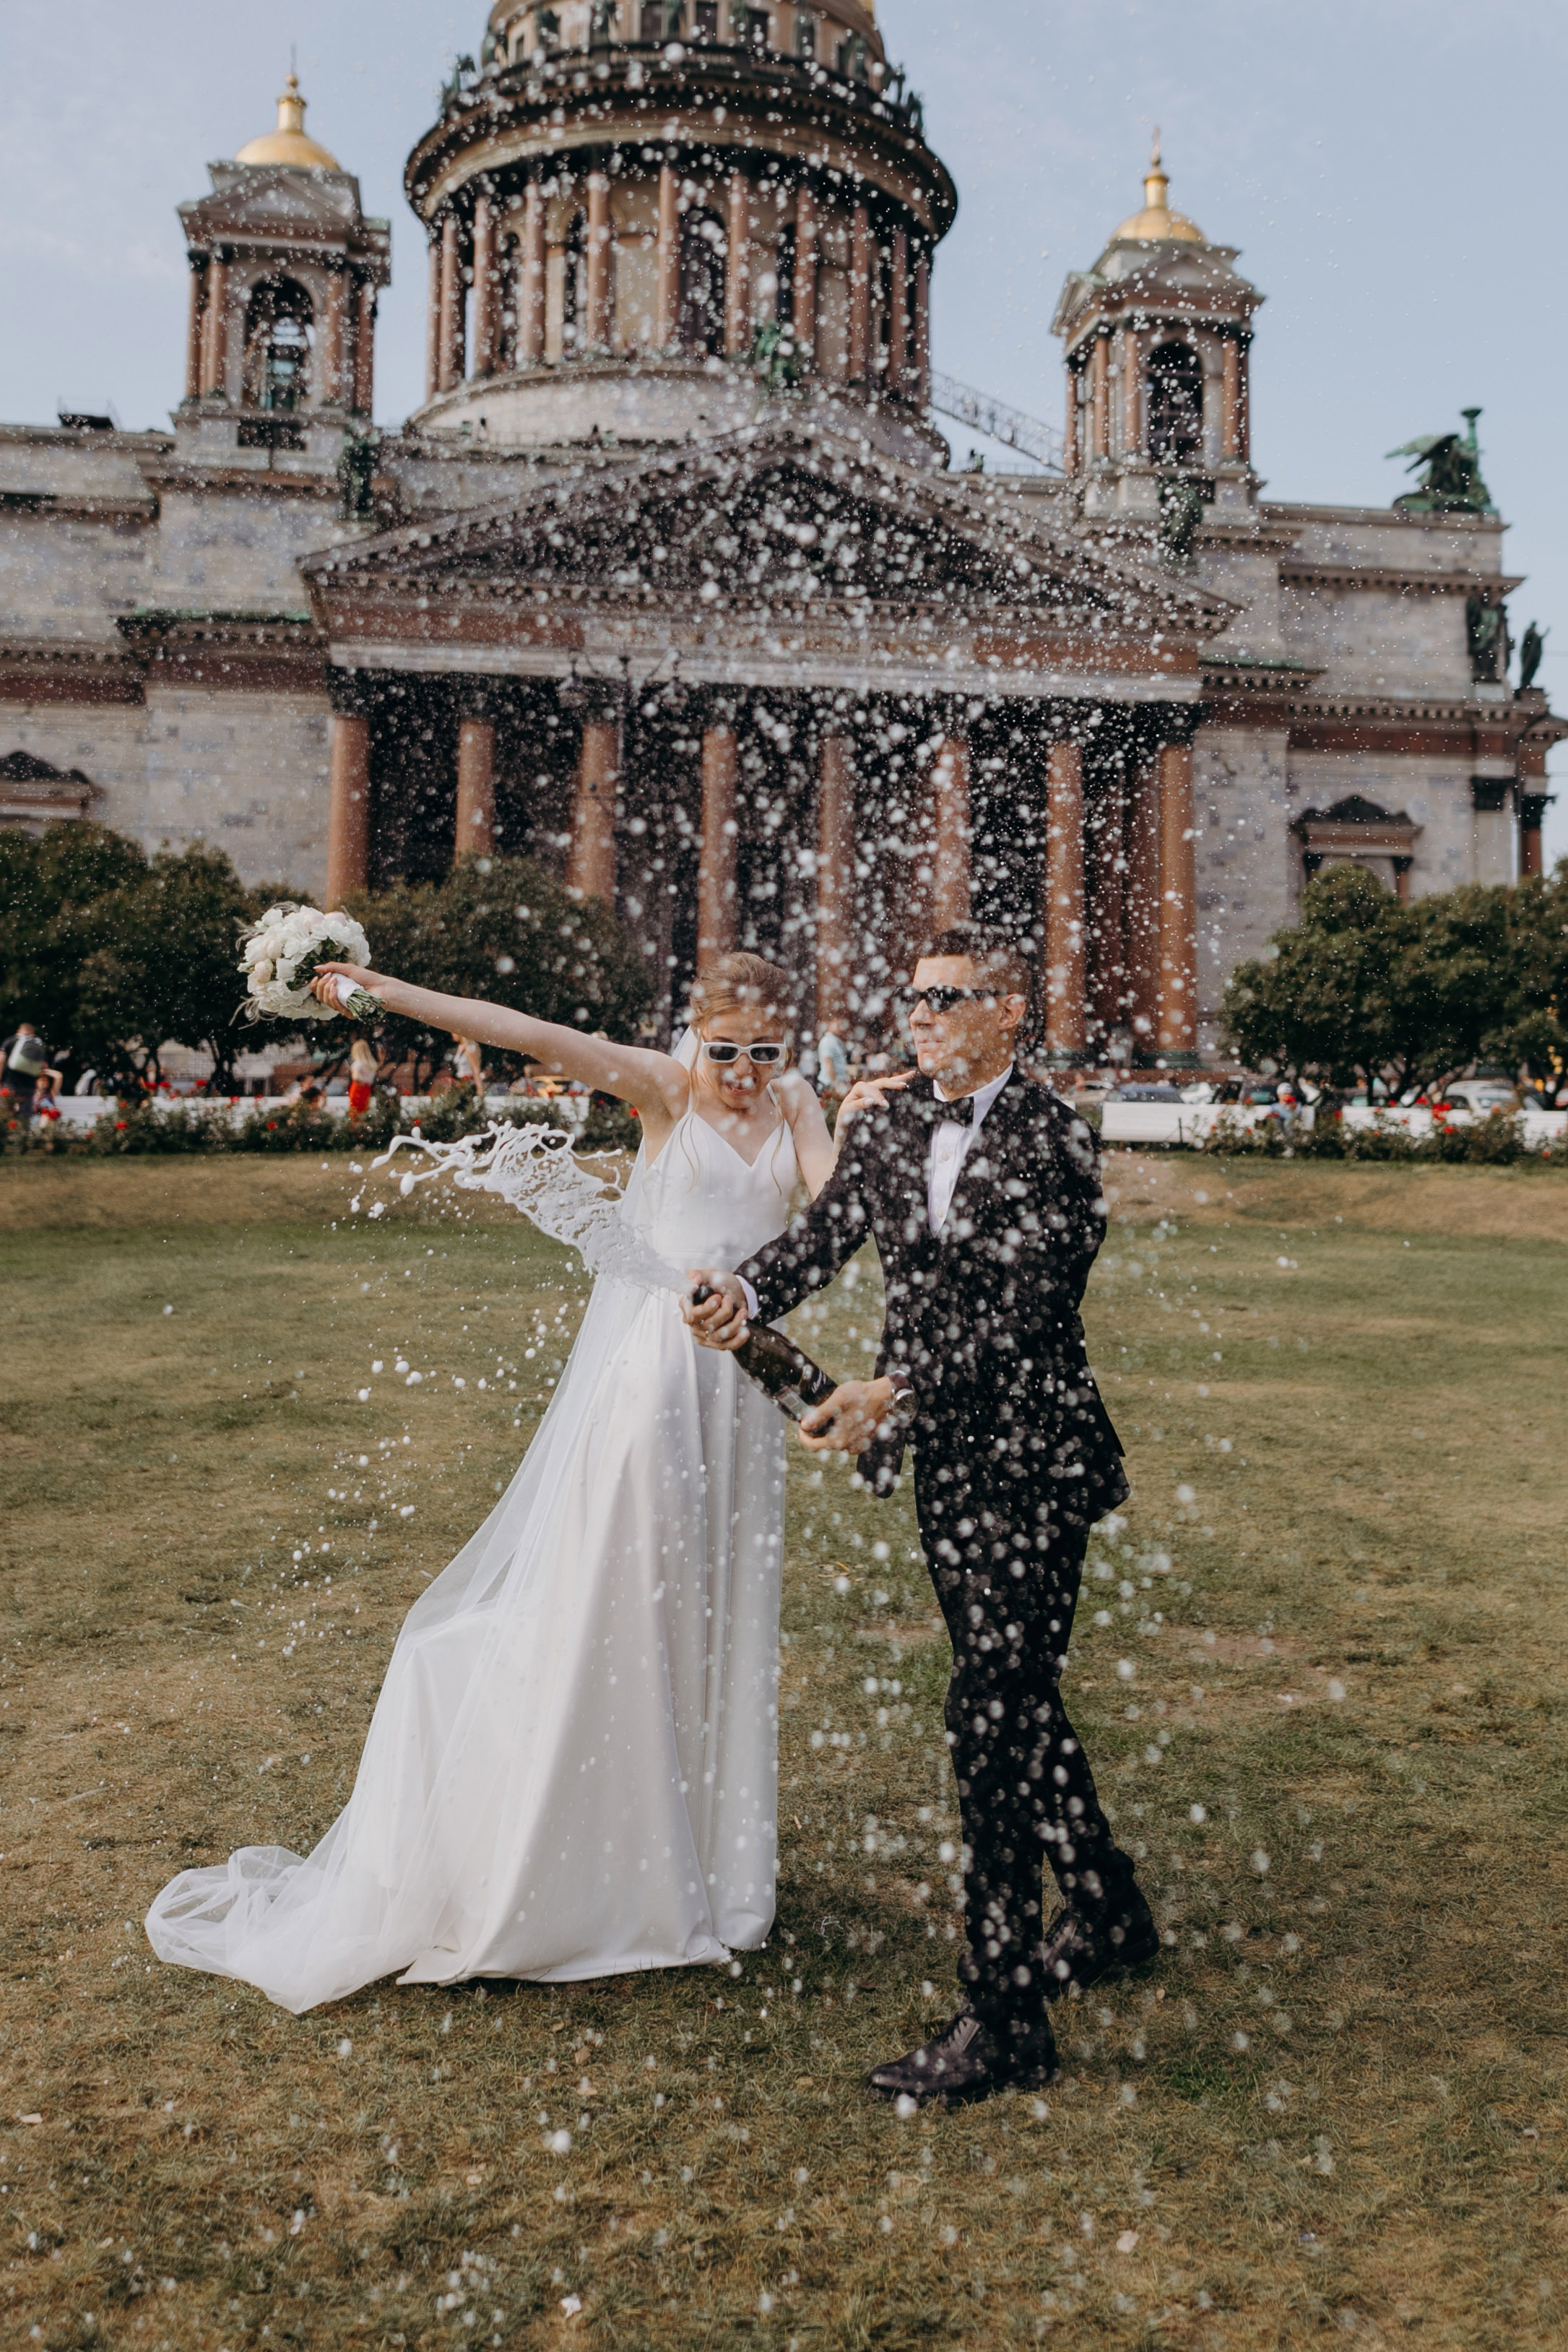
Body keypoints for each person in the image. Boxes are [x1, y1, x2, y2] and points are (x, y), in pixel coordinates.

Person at [145, 951, 836, 2013]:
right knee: (627, 1603)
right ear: (692, 1035)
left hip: (740, 1384)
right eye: (724, 1051)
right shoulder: (657, 1084)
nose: (742, 1073)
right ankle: (583, 1864)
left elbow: (832, 1201)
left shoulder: (794, 1099)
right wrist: (383, 995)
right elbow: (520, 1030)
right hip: (655, 1379)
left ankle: (699, 1867)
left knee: (715, 1609)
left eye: (763, 1053)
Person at [688, 925, 1156, 2107]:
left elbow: (1030, 1310)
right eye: (916, 996)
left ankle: (1003, 2017)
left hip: (1037, 1458)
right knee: (1012, 1686)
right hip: (944, 1463)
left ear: (1011, 1013)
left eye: (953, 999)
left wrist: (895, 1387)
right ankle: (1103, 1904)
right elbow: (828, 1234)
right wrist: (743, 1288)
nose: (924, 1015)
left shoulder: (1054, 1135)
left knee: (987, 1708)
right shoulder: (891, 1122)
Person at [1, 1022, 48, 1123]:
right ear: (33, 1032)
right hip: (29, 1087)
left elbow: (1, 1059)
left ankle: (7, 1136)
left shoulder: (12, 1040)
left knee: (7, 1114)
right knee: (25, 1117)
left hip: (10, 1084)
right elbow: (43, 1067)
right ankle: (23, 1135)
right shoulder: (38, 1044)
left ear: (19, 1031)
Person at [347, 1035, 379, 1119]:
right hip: (366, 1089)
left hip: (357, 1088)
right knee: (364, 1110)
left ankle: (355, 1129)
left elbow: (356, 1077)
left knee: (354, 1112)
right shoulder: (371, 1065)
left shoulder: (358, 1064)